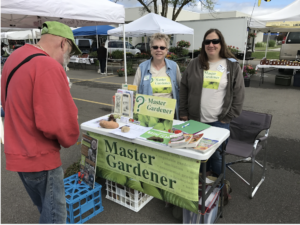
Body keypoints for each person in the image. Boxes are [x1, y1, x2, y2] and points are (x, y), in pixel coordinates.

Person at [1, 21, 82, 223]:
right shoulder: (48, 65)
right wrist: (71, 133)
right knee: (55, 218)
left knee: (45, 211)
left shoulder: (15, 57)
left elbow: (5, 100)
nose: (67, 59)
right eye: (69, 52)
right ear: (63, 43)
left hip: (18, 154)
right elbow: (58, 123)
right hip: (41, 157)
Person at [179, 28, 245, 176]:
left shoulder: (232, 65)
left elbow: (239, 93)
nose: (211, 44)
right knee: (196, 153)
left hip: (218, 121)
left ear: (221, 43)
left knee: (216, 156)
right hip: (195, 120)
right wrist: (183, 111)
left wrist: (227, 117)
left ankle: (218, 187)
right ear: (203, 44)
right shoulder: (194, 63)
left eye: (215, 41)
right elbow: (184, 88)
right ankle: (201, 183)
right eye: (207, 41)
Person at [133, 33, 181, 119]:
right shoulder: (142, 68)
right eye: (155, 47)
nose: (158, 50)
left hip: (169, 116)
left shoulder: (174, 67)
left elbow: (181, 90)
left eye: (162, 47)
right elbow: (134, 92)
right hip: (148, 116)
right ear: (151, 49)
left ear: (167, 50)